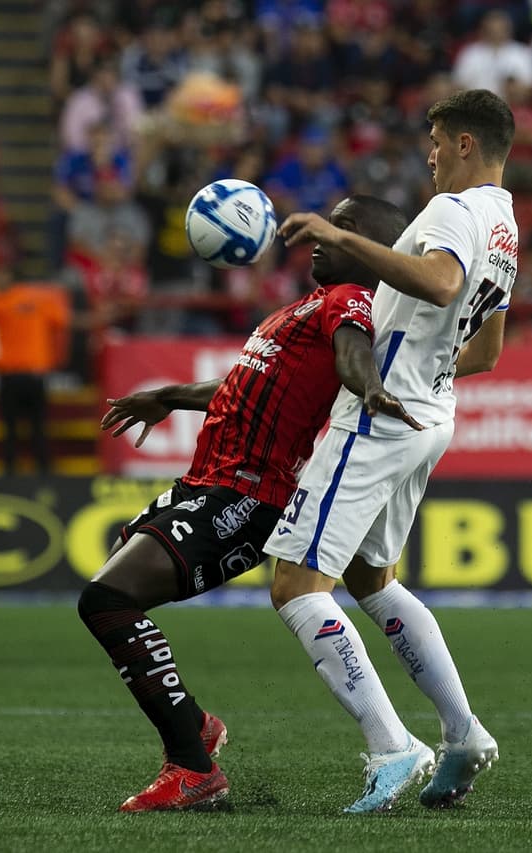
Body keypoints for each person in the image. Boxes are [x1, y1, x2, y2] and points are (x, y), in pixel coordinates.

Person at [78, 195, 413, 813]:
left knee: (107, 598)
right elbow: (247, 386)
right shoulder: (305, 306)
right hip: (204, 485)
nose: (320, 234)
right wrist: (172, 395)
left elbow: (351, 355)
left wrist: (369, 387)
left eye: (343, 228)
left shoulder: (350, 300)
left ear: (373, 252)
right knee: (110, 592)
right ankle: (193, 727)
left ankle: (193, 764)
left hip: (244, 496)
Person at [263, 89, 517, 813]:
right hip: (432, 412)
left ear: (467, 143)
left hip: (382, 414)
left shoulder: (453, 213)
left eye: (438, 140)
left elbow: (439, 284)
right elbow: (489, 349)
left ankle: (391, 743)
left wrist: (344, 242)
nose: (431, 154)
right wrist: (431, 373)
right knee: (373, 578)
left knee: (296, 584)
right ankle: (463, 732)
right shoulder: (505, 226)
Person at [0, 267, 71, 476]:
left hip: (13, 375)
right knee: (35, 428)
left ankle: (11, 476)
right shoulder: (41, 298)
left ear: (9, 277)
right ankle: (44, 474)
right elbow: (62, 322)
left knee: (14, 430)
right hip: (30, 375)